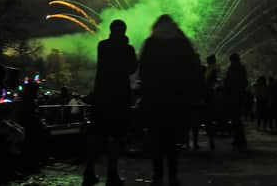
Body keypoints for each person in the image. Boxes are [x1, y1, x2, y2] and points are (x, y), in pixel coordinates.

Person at [139, 15, 200, 186]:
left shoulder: (150, 42)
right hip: (177, 100)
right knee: (173, 140)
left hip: (155, 99)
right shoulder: (182, 43)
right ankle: (173, 176)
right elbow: (193, 69)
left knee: (156, 138)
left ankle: (157, 176)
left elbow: (142, 70)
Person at [83, 19, 137, 186]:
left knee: (97, 135)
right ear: (124, 31)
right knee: (116, 136)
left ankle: (89, 171)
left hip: (102, 96)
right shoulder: (128, 49)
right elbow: (132, 68)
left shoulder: (103, 46)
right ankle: (112, 174)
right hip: (119, 97)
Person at [224, 53, 248, 145]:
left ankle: (238, 138)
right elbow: (245, 82)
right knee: (237, 117)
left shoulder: (232, 69)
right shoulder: (242, 68)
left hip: (233, 96)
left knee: (235, 118)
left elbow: (228, 82)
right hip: (239, 95)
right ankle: (240, 138)